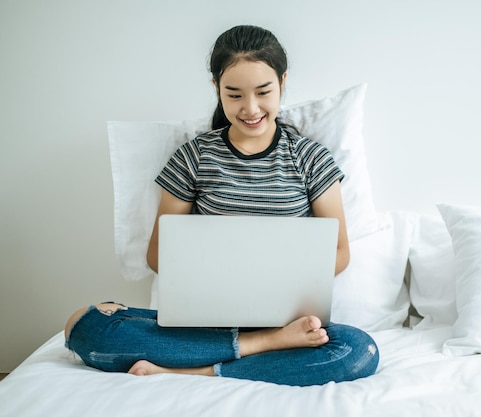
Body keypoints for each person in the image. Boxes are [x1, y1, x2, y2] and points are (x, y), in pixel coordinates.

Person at [64, 25, 379, 386]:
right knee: (85, 324)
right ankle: (262, 346)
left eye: (264, 92)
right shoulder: (194, 158)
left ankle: (190, 367)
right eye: (234, 95)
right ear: (217, 89)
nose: (250, 108)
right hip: (205, 322)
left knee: (358, 350)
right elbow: (157, 256)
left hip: (288, 322)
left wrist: (279, 277)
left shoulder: (310, 158)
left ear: (282, 82)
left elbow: (340, 251)